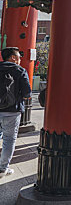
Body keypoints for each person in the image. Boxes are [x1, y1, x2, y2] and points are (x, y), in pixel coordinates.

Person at [0, 47, 31, 179]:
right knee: (8, 140)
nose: (20, 59)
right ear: (13, 57)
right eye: (18, 56)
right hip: (12, 111)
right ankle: (2, 169)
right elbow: (27, 93)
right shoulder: (20, 71)